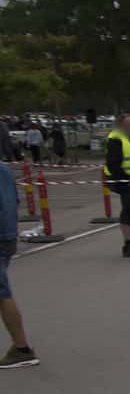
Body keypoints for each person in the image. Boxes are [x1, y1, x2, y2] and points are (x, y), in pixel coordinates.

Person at [0, 151, 37, 367]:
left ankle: (22, 348)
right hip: (8, 234)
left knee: (3, 294)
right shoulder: (5, 169)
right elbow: (14, 200)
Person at [101, 113, 130, 257]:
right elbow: (113, 163)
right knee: (128, 211)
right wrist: (125, 179)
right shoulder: (116, 138)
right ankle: (128, 243)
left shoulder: (128, 138)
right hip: (124, 181)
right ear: (123, 125)